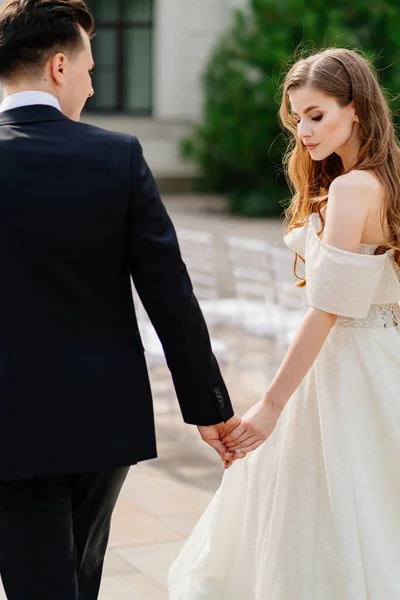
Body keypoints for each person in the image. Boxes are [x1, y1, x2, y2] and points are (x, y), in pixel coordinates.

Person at [0, 1, 251, 599]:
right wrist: (209, 408)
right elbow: (170, 293)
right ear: (59, 67)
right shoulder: (118, 156)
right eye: (89, 66)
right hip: (101, 417)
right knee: (80, 579)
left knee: (38, 582)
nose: (93, 80)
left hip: (7, 418)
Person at [168, 48, 400, 599]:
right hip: (385, 360)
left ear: (357, 110)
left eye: (317, 115)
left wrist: (271, 404)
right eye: (297, 118)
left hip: (345, 368)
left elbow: (326, 310)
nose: (303, 130)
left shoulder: (351, 188)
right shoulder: (386, 181)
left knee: (327, 507)